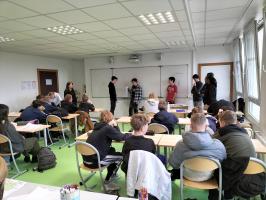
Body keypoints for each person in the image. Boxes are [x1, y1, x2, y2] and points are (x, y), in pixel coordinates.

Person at [209, 111, 265, 200]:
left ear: (222, 122)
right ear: (235, 121)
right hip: (253, 174)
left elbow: (209, 143)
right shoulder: (244, 132)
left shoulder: (222, 132)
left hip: (233, 172)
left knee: (213, 167)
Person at [169, 113, 226, 182]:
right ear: (206, 126)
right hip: (209, 176)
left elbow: (174, 164)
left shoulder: (180, 144)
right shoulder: (218, 145)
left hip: (187, 175)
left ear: (190, 126)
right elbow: (223, 160)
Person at [82, 111, 130, 191]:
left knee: (112, 150)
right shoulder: (107, 128)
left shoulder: (97, 127)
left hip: (86, 161)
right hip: (95, 162)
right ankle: (107, 181)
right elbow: (121, 137)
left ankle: (112, 174)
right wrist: (116, 125)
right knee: (122, 156)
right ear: (111, 118)